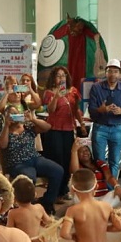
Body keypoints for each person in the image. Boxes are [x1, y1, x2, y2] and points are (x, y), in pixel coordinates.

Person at [0, 106, 62, 215]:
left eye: (16, 113)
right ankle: (28, 207)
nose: (14, 117)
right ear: (6, 117)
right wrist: (7, 125)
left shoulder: (27, 126)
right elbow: (2, 145)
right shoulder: (3, 130)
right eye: (11, 114)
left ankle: (47, 202)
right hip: (17, 163)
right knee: (30, 177)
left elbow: (47, 127)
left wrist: (33, 119)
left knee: (58, 170)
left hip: (35, 158)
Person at [42, 66, 86, 201]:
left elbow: (76, 109)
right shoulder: (48, 93)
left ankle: (64, 189)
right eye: (58, 76)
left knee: (68, 159)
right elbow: (50, 110)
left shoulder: (73, 91)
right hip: (54, 130)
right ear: (53, 79)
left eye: (63, 75)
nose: (61, 78)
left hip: (68, 129)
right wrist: (56, 96)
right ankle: (55, 192)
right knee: (57, 160)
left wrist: (82, 124)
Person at [88, 59, 121, 178]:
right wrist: (101, 110)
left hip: (117, 128)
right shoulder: (96, 87)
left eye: (115, 71)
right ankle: (101, 186)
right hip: (100, 128)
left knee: (115, 161)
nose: (112, 74)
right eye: (109, 71)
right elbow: (91, 110)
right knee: (99, 160)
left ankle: (112, 188)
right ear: (105, 73)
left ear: (119, 74)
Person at [69, 139, 121, 203]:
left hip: (103, 198)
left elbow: (109, 177)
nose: (85, 153)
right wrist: (74, 151)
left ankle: (96, 209)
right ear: (77, 155)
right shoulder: (79, 167)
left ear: (90, 152)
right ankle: (98, 209)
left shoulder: (99, 163)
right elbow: (74, 172)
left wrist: (117, 186)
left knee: (118, 195)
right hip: (86, 199)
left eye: (86, 150)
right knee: (74, 189)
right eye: (81, 152)